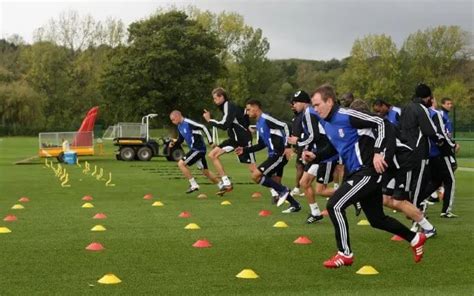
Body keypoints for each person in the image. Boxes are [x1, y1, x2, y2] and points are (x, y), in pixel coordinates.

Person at [311, 84, 427, 269]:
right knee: (377, 220)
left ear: (330, 101)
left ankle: (345, 253)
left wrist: (378, 151)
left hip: (368, 172)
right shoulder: (327, 123)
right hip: (358, 173)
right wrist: (316, 156)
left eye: (317, 104)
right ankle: (415, 238)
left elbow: (382, 122)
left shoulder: (347, 115)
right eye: (313, 105)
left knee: (334, 205)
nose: (315, 109)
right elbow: (335, 147)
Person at [350, 99, 437, 238]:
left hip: (402, 163)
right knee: (385, 199)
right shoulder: (368, 127)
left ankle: (427, 226)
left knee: (398, 200)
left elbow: (392, 144)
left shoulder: (377, 125)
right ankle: (418, 213)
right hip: (391, 166)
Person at [236, 99, 301, 212]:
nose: (247, 112)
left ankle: (284, 191)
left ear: (256, 107)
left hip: (278, 154)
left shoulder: (266, 118)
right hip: (273, 155)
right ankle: (295, 204)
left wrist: (287, 146)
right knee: (275, 182)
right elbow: (261, 144)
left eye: (248, 109)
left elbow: (285, 126)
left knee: (255, 176)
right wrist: (245, 150)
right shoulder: (259, 123)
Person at [288, 90, 338, 221]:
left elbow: (314, 135)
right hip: (316, 153)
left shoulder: (309, 113)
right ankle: (315, 213)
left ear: (304, 102)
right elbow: (313, 136)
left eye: (296, 102)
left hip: (326, 154)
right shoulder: (308, 113)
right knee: (304, 182)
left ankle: (356, 194)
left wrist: (298, 142)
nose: (294, 105)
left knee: (321, 190)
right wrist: (306, 150)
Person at [399, 83, 444, 211]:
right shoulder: (421, 108)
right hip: (419, 150)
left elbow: (400, 127)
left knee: (410, 181)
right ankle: (415, 210)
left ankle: (409, 206)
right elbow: (429, 130)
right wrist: (439, 140)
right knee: (418, 182)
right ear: (428, 96)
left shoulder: (405, 107)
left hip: (405, 149)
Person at [203, 87, 256, 196]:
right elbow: (244, 112)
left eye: (215, 98)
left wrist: (209, 120)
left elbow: (224, 125)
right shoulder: (228, 106)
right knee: (213, 155)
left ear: (222, 97)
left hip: (243, 140)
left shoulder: (228, 105)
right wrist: (247, 125)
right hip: (233, 140)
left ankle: (276, 190)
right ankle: (227, 183)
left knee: (253, 170)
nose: (214, 101)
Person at [419, 105, 458, 217]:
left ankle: (416, 201)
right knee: (450, 180)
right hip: (440, 153)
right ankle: (446, 211)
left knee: (435, 182)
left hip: (429, 155)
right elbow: (441, 133)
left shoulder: (418, 114)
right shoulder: (435, 114)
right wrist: (453, 145)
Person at [169, 110, 220, 193]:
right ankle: (222, 186)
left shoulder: (188, 122)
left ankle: (194, 184)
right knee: (206, 172)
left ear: (178, 116)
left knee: (181, 164)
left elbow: (204, 127)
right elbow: (181, 140)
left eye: (173, 119)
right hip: (196, 150)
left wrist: (210, 142)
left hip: (198, 149)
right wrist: (174, 143)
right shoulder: (179, 126)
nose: (172, 122)